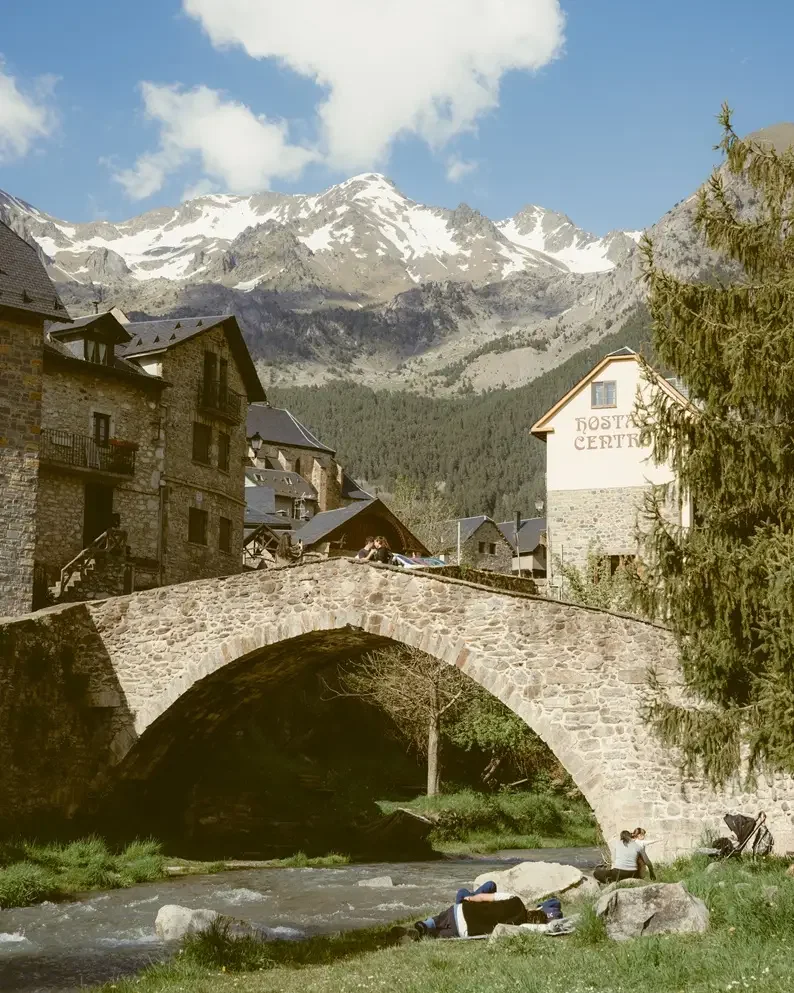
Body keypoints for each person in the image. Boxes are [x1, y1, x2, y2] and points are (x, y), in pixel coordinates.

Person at [414, 881, 527, 939]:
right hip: (464, 931)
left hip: (462, 911)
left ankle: (426, 924)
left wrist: (470, 899)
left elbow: (482, 897)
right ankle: (428, 933)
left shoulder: (515, 899)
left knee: (461, 894)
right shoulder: (519, 925)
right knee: (437, 934)